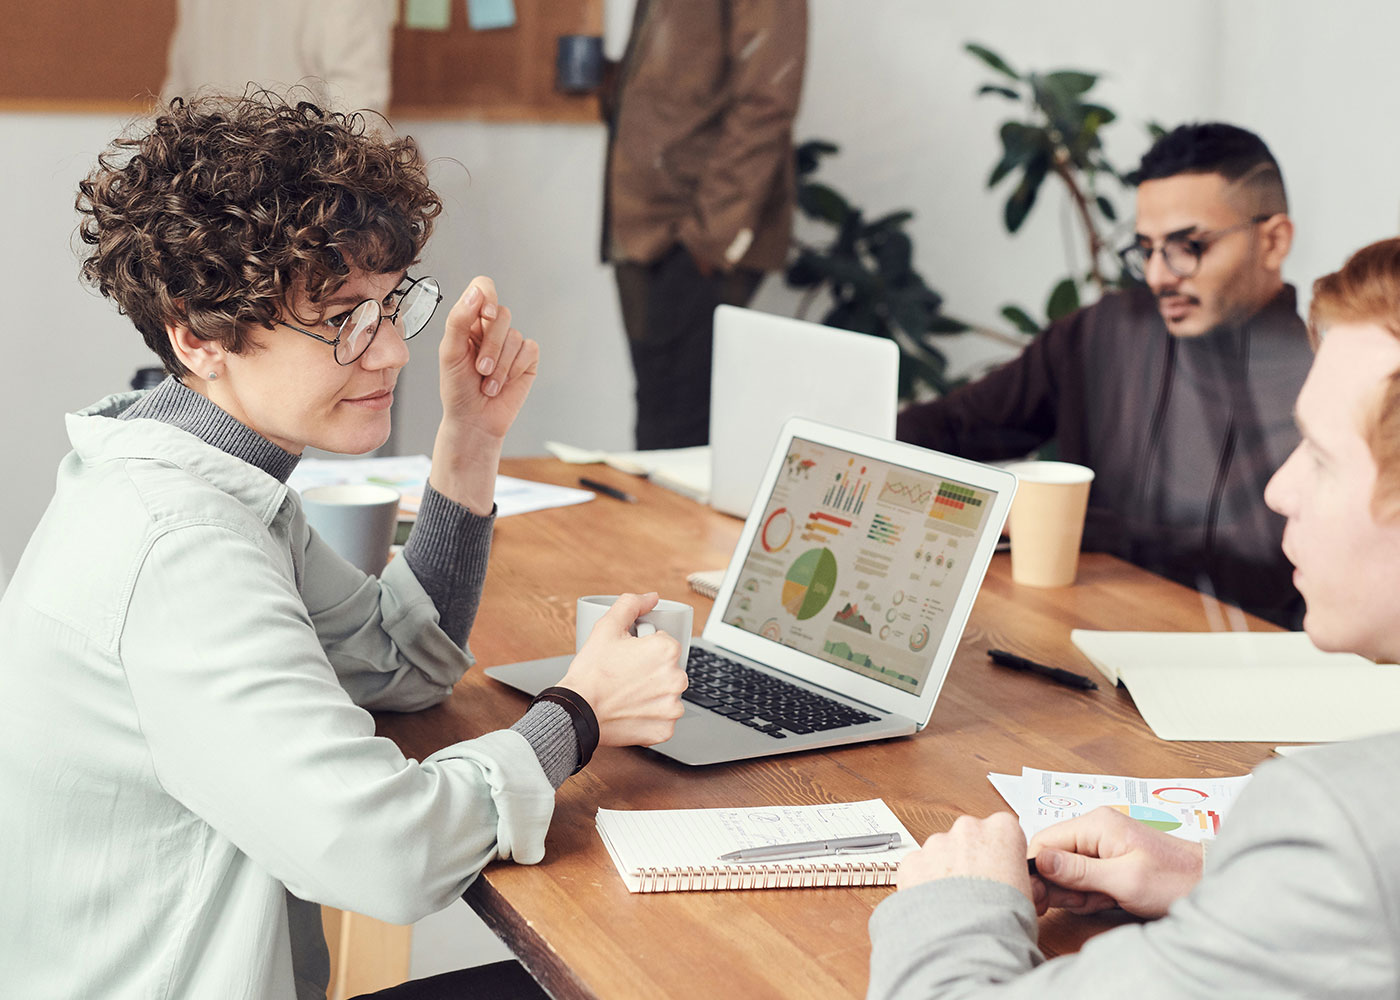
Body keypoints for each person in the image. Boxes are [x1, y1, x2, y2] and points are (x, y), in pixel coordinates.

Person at [0, 93, 687, 1000]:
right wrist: (579, 716)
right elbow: (384, 854)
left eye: (391, 304)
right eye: (342, 318)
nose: (396, 350)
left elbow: (397, 661)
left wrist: (470, 440)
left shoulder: (206, 482)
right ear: (196, 333)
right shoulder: (182, 548)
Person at [867, 236, 1400, 998]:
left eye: (1319, 454)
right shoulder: (1097, 337)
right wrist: (1224, 880)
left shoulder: (1339, 821)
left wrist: (954, 904)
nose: (1280, 491)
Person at [897, 123, 1310, 627]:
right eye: (1147, 250)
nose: (1159, 276)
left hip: (1241, 670)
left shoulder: (1325, 381)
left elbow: (1269, 563)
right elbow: (954, 426)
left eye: (1188, 247)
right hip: (1067, 636)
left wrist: (1082, 530)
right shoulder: (1106, 331)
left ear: (1273, 241)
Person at [601, 0, 807, 450]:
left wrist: (710, 237)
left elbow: (768, 95)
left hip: (693, 232)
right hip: (645, 224)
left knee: (676, 435)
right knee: (660, 424)